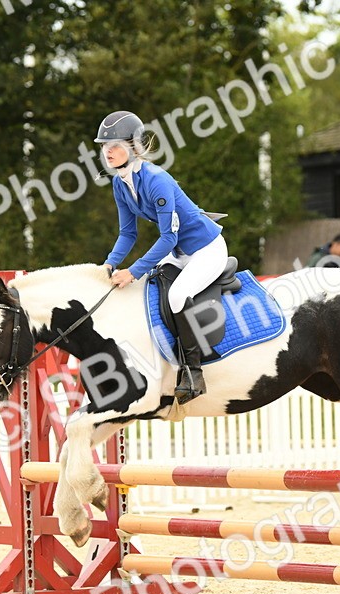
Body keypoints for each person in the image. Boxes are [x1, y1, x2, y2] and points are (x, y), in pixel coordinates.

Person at [99, 110, 225, 404]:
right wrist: (108, 264)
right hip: (179, 252)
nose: (108, 152)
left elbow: (168, 237)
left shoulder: (157, 180)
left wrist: (132, 271)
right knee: (148, 291)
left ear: (133, 145)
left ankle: (193, 371)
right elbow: (128, 233)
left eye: (115, 145)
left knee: (177, 296)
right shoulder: (120, 183)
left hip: (206, 249)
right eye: (104, 147)